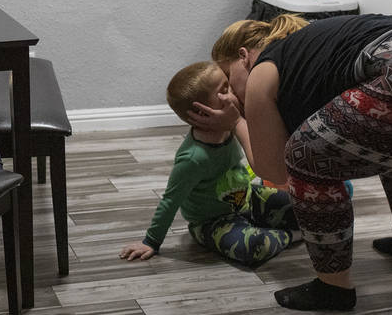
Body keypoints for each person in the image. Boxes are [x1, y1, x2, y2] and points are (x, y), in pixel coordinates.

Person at [194, 13, 392, 311]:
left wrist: (235, 121)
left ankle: (333, 288)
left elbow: (273, 169)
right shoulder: (310, 52)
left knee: (305, 157)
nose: (231, 93)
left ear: (244, 56)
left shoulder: (264, 67)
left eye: (227, 80)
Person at [118, 61, 300, 267]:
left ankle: (278, 227)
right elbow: (170, 201)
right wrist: (151, 241)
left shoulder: (231, 124)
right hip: (214, 222)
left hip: (249, 198)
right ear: (203, 113)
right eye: (225, 90)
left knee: (301, 203)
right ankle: (292, 235)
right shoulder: (193, 158)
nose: (233, 91)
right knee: (253, 246)